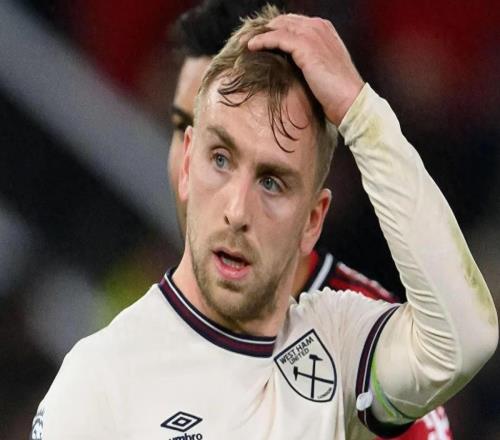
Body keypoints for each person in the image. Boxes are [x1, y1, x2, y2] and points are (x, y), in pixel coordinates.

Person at [31, 6, 497, 440]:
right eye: (220, 159)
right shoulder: (99, 381)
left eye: (272, 182)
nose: (238, 211)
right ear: (187, 165)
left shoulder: (337, 340)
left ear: (313, 221)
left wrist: (361, 113)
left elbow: (463, 340)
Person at [168, 1, 452, 438]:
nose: (231, 195)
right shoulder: (130, 345)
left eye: (263, 169)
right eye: (211, 150)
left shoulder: (368, 350)